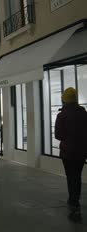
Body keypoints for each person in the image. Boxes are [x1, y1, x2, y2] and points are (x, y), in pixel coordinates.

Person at [55, 87, 87, 223]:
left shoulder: (61, 115)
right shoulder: (84, 114)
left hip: (67, 152)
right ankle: (74, 200)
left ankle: (74, 203)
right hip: (81, 151)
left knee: (70, 176)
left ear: (64, 99)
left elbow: (58, 135)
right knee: (77, 176)